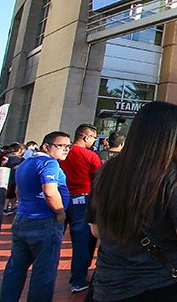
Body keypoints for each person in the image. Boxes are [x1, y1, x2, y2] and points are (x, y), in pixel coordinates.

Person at [87, 101, 177, 301]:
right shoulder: (175, 173)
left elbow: (96, 229)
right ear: (171, 135)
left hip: (108, 283)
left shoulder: (107, 170)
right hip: (160, 285)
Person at [0, 131, 72, 302]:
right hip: (44, 222)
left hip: (23, 220)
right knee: (44, 272)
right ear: (46, 146)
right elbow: (49, 191)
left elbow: (18, 191)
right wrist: (60, 212)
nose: (66, 150)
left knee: (15, 268)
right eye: (61, 146)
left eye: (68, 146)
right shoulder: (49, 163)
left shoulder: (26, 163)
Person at [58, 123, 102, 293]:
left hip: (61, 199)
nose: (93, 141)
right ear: (86, 137)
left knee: (55, 238)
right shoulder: (89, 156)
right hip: (82, 200)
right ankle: (78, 279)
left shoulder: (63, 153)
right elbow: (98, 178)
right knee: (82, 241)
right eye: (93, 138)